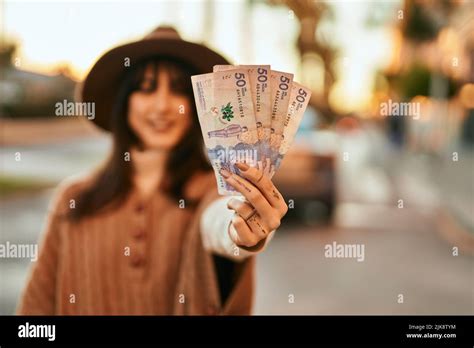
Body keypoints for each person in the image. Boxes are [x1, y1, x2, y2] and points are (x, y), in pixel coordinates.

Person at [17, 26, 288, 315]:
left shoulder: (212, 191)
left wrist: (243, 231)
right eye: (145, 89)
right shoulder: (74, 198)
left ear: (198, 106)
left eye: (179, 90)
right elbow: (35, 312)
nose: (162, 106)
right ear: (124, 102)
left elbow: (222, 222)